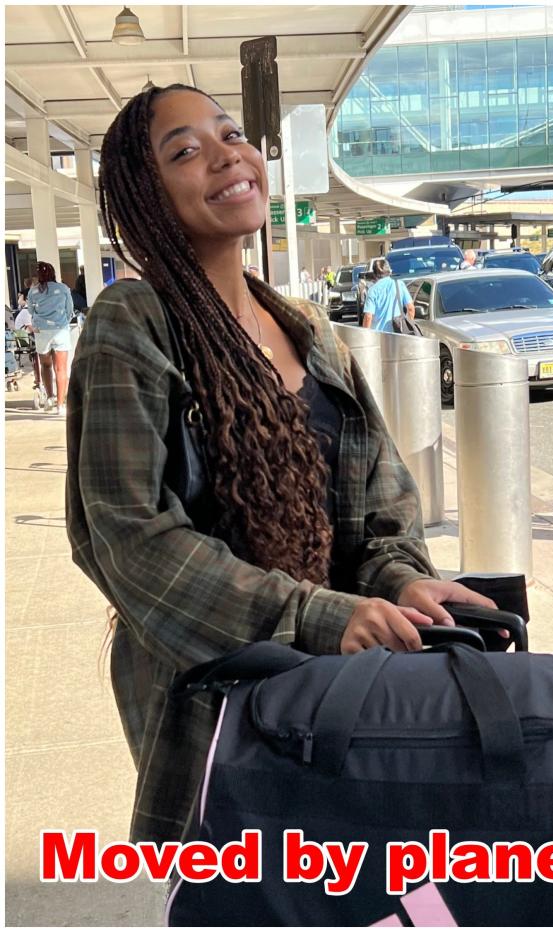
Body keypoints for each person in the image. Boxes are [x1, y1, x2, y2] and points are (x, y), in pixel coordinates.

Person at [66, 83, 494, 846]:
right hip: (212, 707)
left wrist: (401, 581)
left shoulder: (308, 331)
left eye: (230, 134)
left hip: (343, 693)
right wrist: (317, 618)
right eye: (185, 151)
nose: (228, 154)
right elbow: (129, 539)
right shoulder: (131, 325)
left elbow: (379, 510)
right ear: (145, 197)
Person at [26, 261, 74, 415]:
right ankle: (60, 406)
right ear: (54, 273)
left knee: (45, 366)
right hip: (60, 331)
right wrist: (62, 322)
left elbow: (31, 311)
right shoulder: (63, 289)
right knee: (61, 369)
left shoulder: (33, 292)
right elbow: (69, 310)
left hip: (41, 332)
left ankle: (50, 399)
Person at [360, 257, 415, 333]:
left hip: (379, 337)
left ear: (374, 274)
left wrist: (365, 335)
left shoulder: (372, 290)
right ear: (389, 271)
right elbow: (410, 308)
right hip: (398, 335)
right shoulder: (399, 284)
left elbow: (368, 317)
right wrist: (408, 327)